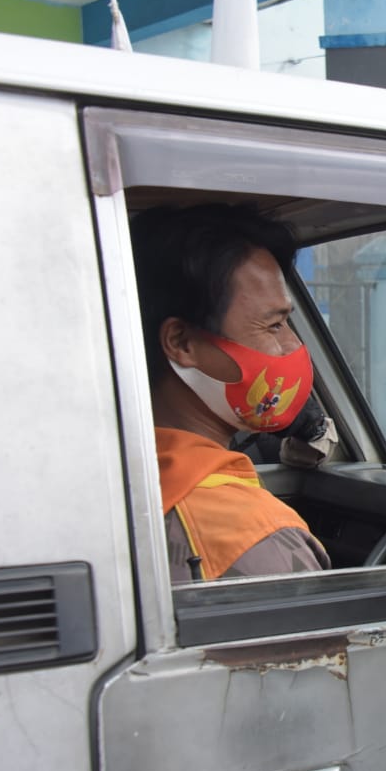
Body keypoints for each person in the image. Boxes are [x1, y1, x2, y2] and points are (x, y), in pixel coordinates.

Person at [133, 203, 330, 582]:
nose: (293, 346)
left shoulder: (112, 475)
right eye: (274, 326)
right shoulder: (257, 538)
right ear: (182, 342)